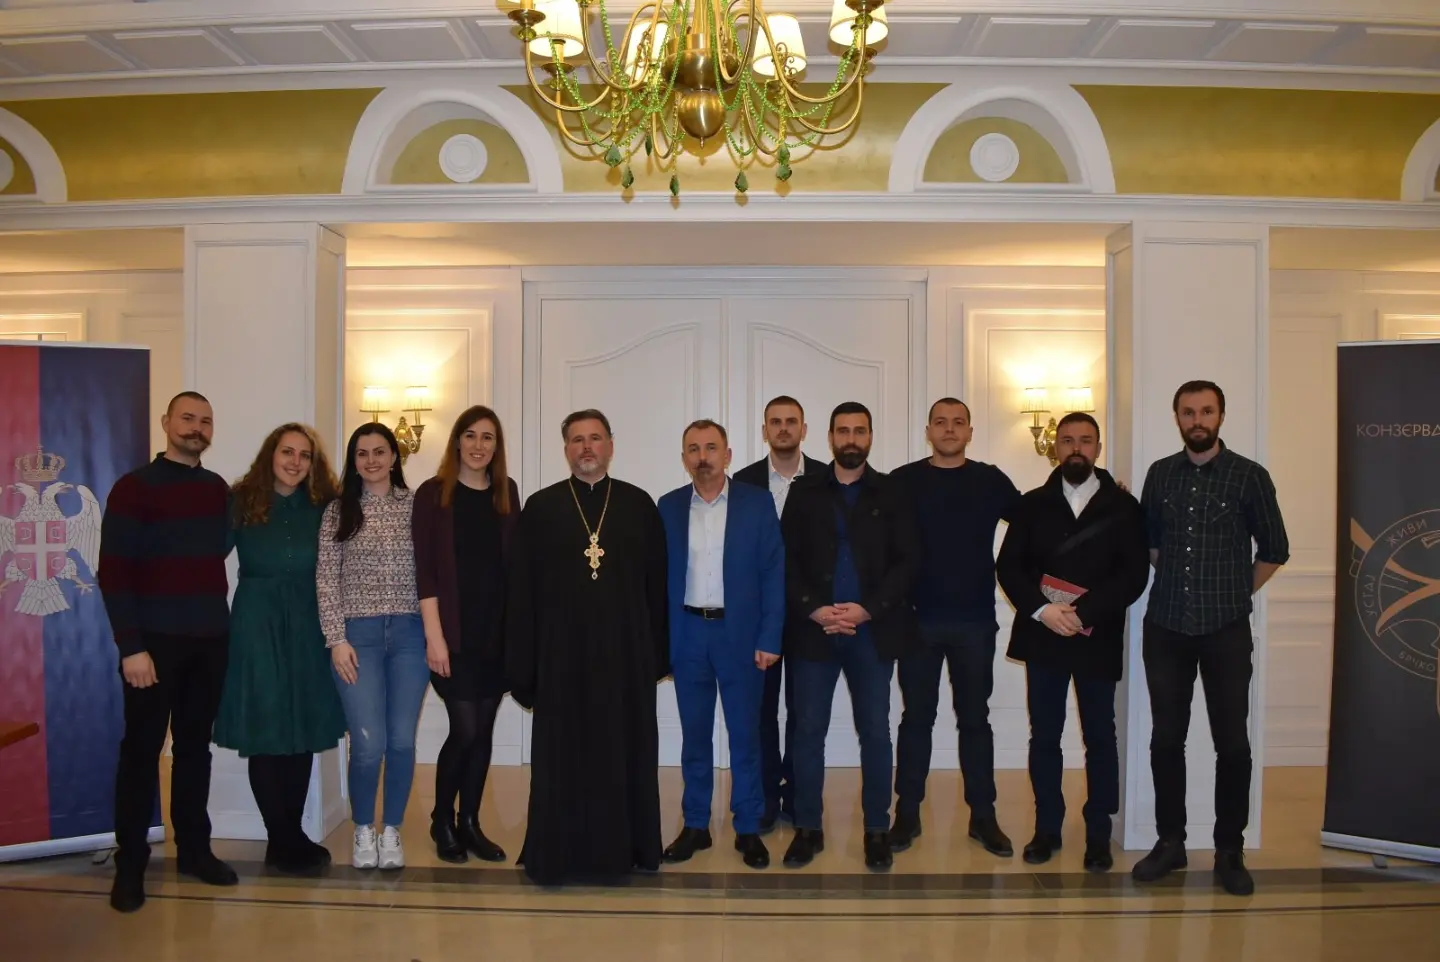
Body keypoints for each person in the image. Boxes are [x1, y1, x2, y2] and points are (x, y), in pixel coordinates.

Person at [1134, 380, 1289, 896]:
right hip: (1166, 628)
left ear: (1221, 416)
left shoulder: (1249, 476)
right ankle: (1170, 843)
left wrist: (1234, 592)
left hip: (1226, 631)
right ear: (1177, 417)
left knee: (1233, 744)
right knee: (1165, 740)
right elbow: (1151, 545)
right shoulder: (1160, 474)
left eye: (1206, 411)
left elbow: (1275, 548)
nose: (1197, 420)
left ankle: (1229, 849)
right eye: (1188, 412)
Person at [505, 409, 669, 884]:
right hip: (561, 658)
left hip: (624, 657)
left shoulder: (639, 505)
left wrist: (656, 656)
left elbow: (657, 587)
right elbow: (521, 592)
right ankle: (557, 854)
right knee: (562, 758)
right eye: (577, 440)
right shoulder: (541, 508)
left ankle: (626, 850)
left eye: (595, 438)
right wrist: (525, 664)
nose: (587, 448)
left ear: (610, 446)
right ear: (566, 450)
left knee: (622, 752)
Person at [98, 391, 239, 913]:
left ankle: (194, 851)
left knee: (195, 752)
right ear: (166, 422)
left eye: (205, 421)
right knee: (141, 754)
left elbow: (218, 551)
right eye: (187, 418)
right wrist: (130, 648)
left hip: (210, 642)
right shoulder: (134, 487)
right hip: (152, 647)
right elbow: (114, 572)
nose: (196, 428)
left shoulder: (217, 489)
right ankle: (131, 864)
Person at [995, 412, 1149, 873]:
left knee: (1101, 737)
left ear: (1098, 448)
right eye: (1067, 440)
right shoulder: (1031, 504)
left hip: (1096, 635)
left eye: (1085, 440)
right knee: (1044, 735)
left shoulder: (1125, 506)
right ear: (1055, 448)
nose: (1076, 448)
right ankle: (1047, 829)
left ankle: (1098, 834)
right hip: (1043, 634)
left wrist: (1083, 613)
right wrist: (1044, 611)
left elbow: (1133, 574)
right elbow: (1009, 567)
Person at [779, 402, 917, 871]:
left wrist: (868, 609)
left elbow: (907, 562)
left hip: (871, 633)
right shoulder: (804, 492)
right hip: (814, 631)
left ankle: (877, 829)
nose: (851, 439)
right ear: (830, 438)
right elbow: (785, 559)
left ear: (870, 437)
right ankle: (808, 828)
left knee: (875, 732)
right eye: (843, 431)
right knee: (807, 732)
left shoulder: (893, 492)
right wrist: (814, 609)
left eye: (859, 431)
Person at [889, 398, 1021, 858]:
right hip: (917, 621)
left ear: (970, 431)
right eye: (941, 423)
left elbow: (1036, 520)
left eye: (958, 423)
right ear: (928, 431)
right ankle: (906, 813)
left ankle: (983, 817)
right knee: (915, 719)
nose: (949, 430)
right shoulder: (903, 481)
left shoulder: (990, 480)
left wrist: (1104, 496)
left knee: (975, 721)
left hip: (975, 621)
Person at [213, 423, 347, 876]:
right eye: (287, 452)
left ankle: (292, 834)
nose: (295, 462)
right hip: (258, 623)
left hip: (309, 622)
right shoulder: (242, 500)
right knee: (267, 730)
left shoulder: (324, 506)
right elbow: (206, 555)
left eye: (304, 455)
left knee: (301, 729)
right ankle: (281, 838)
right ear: (271, 454)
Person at [657, 420, 784, 870]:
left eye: (711, 447)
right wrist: (662, 643)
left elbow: (774, 573)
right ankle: (696, 824)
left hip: (741, 636)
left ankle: (748, 826)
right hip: (689, 634)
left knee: (746, 735)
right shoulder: (669, 506)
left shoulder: (757, 503)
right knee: (694, 737)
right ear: (684, 458)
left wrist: (770, 637)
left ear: (728, 455)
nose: (703, 456)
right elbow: (657, 580)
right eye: (693, 449)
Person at [412, 406, 521, 865]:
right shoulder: (432, 493)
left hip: (495, 633)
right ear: (457, 440)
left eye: (488, 438)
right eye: (471, 435)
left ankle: (470, 822)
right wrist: (434, 638)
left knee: (484, 730)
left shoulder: (506, 492)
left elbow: (515, 566)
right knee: (465, 728)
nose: (479, 445)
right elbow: (426, 572)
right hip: (452, 633)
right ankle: (442, 819)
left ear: (497, 446)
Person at [318, 423, 426, 871]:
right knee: (367, 743)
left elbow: (433, 573)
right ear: (354, 460)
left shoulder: (416, 506)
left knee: (400, 740)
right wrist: (336, 639)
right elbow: (326, 578)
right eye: (362, 453)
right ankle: (364, 827)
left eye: (380, 451)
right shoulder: (337, 511)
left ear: (394, 456)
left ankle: (391, 829)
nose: (371, 460)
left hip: (410, 636)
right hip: (356, 638)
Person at [733, 395, 826, 831]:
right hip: (759, 618)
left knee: (804, 715)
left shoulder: (827, 478)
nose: (784, 428)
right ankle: (767, 797)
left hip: (811, 618)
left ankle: (799, 796)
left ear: (804, 430)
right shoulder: (744, 482)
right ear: (765, 430)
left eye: (791, 421)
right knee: (761, 713)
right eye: (776, 422)